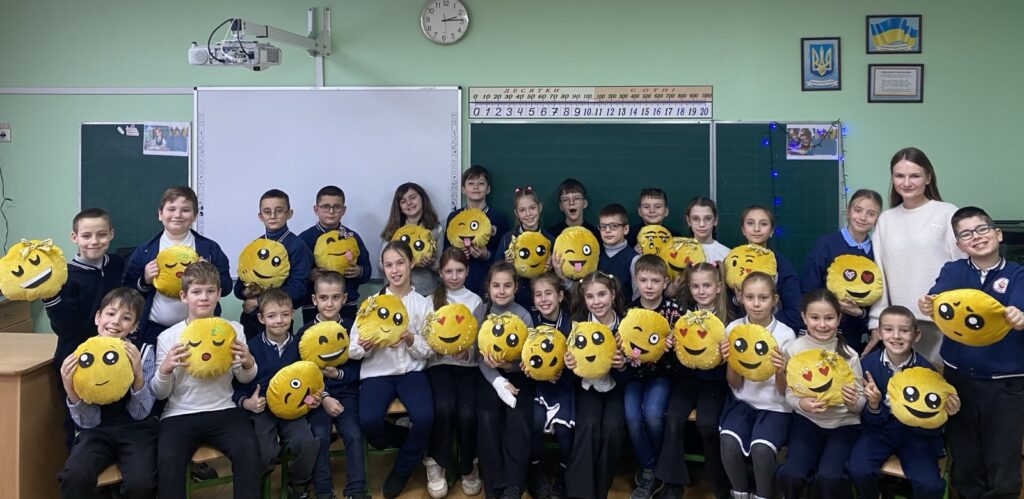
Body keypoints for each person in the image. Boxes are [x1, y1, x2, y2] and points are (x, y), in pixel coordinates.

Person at [919, 206, 1024, 498]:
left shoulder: (1018, 274)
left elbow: (1019, 306)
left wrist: (1019, 315)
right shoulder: (953, 271)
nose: (975, 237)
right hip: (959, 378)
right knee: (964, 456)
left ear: (998, 234)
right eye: (966, 234)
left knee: (1003, 456)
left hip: (1006, 384)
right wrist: (929, 302)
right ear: (959, 245)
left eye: (981, 229)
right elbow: (940, 295)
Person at [151, 261, 261, 499]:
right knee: (168, 459)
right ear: (184, 296)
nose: (204, 298)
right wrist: (165, 368)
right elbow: (160, 393)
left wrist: (248, 362)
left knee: (249, 449)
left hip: (223, 409)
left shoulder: (233, 330)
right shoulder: (168, 337)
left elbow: (244, 378)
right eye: (196, 292)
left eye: (210, 291)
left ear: (219, 294)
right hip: (179, 413)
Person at [348, 241, 435, 498]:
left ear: (411, 264)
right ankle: (407, 440)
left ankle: (402, 469)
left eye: (400, 263)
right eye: (389, 265)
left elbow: (429, 350)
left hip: (412, 373)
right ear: (383, 269)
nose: (395, 270)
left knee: (425, 417)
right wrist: (366, 346)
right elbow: (352, 350)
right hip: (378, 374)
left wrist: (410, 339)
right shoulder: (371, 304)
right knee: (369, 420)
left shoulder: (423, 304)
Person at [848, 305, 958, 499]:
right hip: (879, 430)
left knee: (930, 485)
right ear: (879, 333)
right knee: (858, 470)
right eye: (888, 329)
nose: (896, 336)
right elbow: (866, 419)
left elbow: (933, 420)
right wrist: (874, 404)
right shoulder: (866, 366)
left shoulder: (928, 372)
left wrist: (948, 411)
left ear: (917, 335)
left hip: (915, 435)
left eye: (904, 330)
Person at [57, 288, 156, 499]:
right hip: (96, 432)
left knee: (142, 482)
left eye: (126, 318)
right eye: (110, 314)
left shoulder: (144, 351)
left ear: (134, 326)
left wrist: (138, 373)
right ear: (98, 317)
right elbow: (88, 423)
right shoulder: (82, 354)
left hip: (135, 429)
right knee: (75, 476)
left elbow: (141, 413)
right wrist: (70, 387)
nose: (116, 322)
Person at [866, 147, 963, 363]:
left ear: (928, 177)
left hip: (944, 321)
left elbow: (963, 268)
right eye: (900, 176)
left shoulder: (948, 213)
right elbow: (879, 275)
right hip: (900, 326)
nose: (907, 182)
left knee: (941, 381)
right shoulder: (886, 220)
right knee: (905, 381)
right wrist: (876, 321)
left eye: (915, 176)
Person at [45, 208, 126, 449]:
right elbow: (66, 328)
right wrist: (50, 298)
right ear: (74, 237)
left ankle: (114, 467)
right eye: (86, 235)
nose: (94, 241)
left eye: (101, 234)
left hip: (112, 355)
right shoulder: (64, 277)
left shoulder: (117, 264)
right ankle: (79, 465)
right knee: (78, 419)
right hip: (76, 355)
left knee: (113, 415)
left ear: (111, 234)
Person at [776, 289, 865, 499]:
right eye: (815, 318)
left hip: (843, 425)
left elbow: (860, 403)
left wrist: (853, 402)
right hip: (807, 422)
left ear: (839, 318)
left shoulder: (849, 355)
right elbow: (788, 391)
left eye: (829, 318)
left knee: (829, 478)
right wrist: (802, 404)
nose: (822, 324)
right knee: (792, 475)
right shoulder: (794, 350)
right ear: (804, 318)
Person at [657, 262, 733, 499]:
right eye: (696, 286)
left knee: (707, 425)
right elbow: (676, 354)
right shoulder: (682, 315)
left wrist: (727, 354)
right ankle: (672, 483)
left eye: (707, 286)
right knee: (673, 418)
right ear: (689, 288)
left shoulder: (729, 318)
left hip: (715, 382)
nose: (701, 291)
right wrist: (669, 345)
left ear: (718, 287)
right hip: (687, 379)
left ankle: (719, 483)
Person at [234, 289, 319, 498]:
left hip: (293, 410)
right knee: (264, 451)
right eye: (272, 316)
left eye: (285, 314)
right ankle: (258, 484)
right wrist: (246, 403)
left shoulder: (301, 348)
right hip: (262, 409)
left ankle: (298, 483)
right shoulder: (251, 347)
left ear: (292, 315)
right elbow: (236, 387)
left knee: (308, 443)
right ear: (261, 318)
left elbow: (309, 382)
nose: (279, 321)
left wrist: (311, 399)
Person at [719, 272, 796, 499]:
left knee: (761, 449)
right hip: (742, 403)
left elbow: (783, 392)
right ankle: (740, 494)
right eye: (750, 297)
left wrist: (780, 371)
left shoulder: (785, 335)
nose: (756, 304)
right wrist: (731, 361)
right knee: (728, 442)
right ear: (741, 298)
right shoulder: (733, 329)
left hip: (776, 407)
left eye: (763, 298)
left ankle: (764, 495)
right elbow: (734, 383)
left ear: (774, 300)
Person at [124, 186, 232, 346]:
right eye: (171, 209)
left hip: (202, 330)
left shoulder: (209, 248)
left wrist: (211, 273)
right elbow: (128, 290)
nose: (177, 215)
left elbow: (227, 287)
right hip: (154, 330)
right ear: (160, 214)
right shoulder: (146, 250)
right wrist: (144, 280)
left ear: (194, 215)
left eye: (185, 210)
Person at [300, 271, 370, 499]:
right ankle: (323, 491)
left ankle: (356, 490)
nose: (329, 303)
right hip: (317, 398)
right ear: (314, 300)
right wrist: (324, 396)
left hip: (347, 394)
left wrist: (339, 374)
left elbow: (359, 369)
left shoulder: (353, 329)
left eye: (335, 297)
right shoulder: (305, 333)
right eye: (323, 298)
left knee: (354, 433)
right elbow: (300, 375)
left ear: (344, 298)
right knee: (319, 436)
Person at [423, 248, 484, 498]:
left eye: (459, 271)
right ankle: (436, 462)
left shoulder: (476, 301)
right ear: (440, 273)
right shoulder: (430, 300)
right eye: (449, 271)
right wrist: (438, 351)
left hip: (467, 368)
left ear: (467, 272)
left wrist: (467, 354)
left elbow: (480, 341)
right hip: (438, 367)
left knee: (468, 414)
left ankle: (469, 466)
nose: (454, 276)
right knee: (444, 408)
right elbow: (424, 338)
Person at [475, 261, 538, 499]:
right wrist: (498, 380)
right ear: (488, 287)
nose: (501, 291)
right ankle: (493, 484)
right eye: (496, 286)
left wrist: (508, 367)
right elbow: (478, 356)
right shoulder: (481, 312)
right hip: (489, 378)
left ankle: (514, 483)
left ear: (516, 287)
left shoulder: (523, 316)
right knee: (487, 416)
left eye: (507, 286)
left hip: (518, 377)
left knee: (517, 419)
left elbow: (529, 359)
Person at [564, 272, 628, 499]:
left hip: (616, 389)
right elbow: (568, 377)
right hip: (587, 388)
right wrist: (569, 365)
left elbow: (635, 374)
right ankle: (579, 493)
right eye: (590, 297)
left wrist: (622, 367)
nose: (597, 301)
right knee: (588, 425)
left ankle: (600, 490)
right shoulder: (577, 326)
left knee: (613, 429)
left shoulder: (626, 326)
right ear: (584, 299)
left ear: (613, 294)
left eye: (602, 294)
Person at [623, 255, 681, 499]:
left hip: (662, 376)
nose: (649, 286)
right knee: (632, 417)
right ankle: (649, 466)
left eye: (655, 281)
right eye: (644, 280)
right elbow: (622, 348)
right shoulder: (629, 312)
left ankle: (660, 465)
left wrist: (673, 347)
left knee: (654, 414)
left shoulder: (674, 311)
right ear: (636, 280)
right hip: (635, 376)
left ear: (665, 283)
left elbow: (685, 351)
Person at [800, 189, 883, 352]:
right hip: (822, 329)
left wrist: (860, 314)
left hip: (857, 334)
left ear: (877, 219)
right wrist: (831, 304)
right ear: (848, 211)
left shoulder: (877, 251)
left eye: (871, 214)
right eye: (858, 210)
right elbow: (809, 287)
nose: (863, 217)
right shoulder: (827, 244)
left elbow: (878, 296)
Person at [234, 189, 313, 338]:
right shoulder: (255, 245)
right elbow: (239, 285)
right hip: (251, 317)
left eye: (279, 211)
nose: (272, 216)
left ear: (289, 214)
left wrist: (258, 301)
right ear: (260, 216)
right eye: (267, 212)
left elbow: (297, 290)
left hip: (279, 321)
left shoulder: (298, 247)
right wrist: (246, 292)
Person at [297, 185, 371, 324]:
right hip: (313, 306)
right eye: (325, 207)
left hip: (347, 304)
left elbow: (367, 270)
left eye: (336, 207)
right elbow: (296, 273)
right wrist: (309, 275)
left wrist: (359, 271)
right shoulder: (305, 239)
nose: (331, 211)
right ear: (316, 209)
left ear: (343, 210)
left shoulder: (352, 237)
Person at [529, 271, 574, 498]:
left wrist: (563, 371)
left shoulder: (571, 324)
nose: (544, 299)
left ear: (560, 296)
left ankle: (565, 474)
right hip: (537, 387)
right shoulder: (530, 322)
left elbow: (579, 364)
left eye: (549, 293)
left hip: (565, 386)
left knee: (565, 429)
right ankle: (536, 471)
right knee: (535, 421)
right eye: (538, 295)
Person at [443, 165, 510, 296]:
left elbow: (505, 257)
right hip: (459, 284)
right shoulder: (454, 217)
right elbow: (446, 251)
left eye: (481, 183)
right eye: (471, 183)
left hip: (487, 283)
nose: (476, 187)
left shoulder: (498, 218)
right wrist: (457, 254)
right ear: (463, 189)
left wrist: (486, 255)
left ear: (488, 189)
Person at [736, 205, 802, 331]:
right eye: (750, 223)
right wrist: (737, 300)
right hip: (740, 331)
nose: (756, 229)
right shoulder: (732, 262)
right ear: (743, 229)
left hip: (774, 332)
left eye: (763, 224)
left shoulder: (782, 265)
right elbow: (725, 304)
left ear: (772, 230)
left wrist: (769, 325)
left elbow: (793, 310)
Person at [380, 183, 445, 296]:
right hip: (396, 293)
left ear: (422, 199)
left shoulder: (435, 229)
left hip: (426, 292)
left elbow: (442, 267)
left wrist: (431, 262)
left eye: (413, 197)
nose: (409, 203)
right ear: (399, 207)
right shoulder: (393, 230)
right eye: (403, 201)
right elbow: (381, 264)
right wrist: (399, 263)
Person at [497, 186, 555, 310]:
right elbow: (495, 271)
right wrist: (507, 266)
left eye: (532, 208)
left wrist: (551, 269)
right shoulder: (508, 240)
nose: (528, 214)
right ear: (516, 213)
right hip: (516, 302)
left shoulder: (550, 240)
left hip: (544, 303)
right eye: (522, 210)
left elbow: (557, 277)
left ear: (539, 208)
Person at [596, 203, 640, 302]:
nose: (607, 230)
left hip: (625, 310)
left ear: (625, 229)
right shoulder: (595, 254)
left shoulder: (634, 259)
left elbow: (637, 296)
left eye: (613, 226)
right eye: (603, 226)